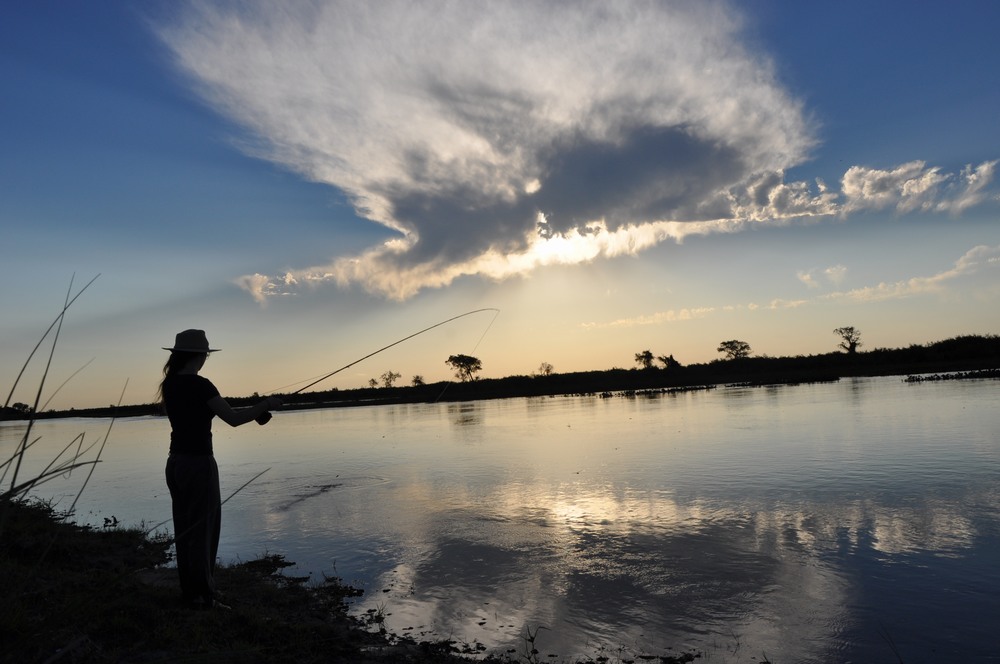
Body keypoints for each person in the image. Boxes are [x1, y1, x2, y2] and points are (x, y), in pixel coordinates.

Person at [158, 329, 281, 609]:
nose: (205, 360)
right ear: (199, 356)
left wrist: (255, 410)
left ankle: (192, 591)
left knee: (186, 530)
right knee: (204, 531)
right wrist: (267, 404)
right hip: (199, 463)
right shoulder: (202, 385)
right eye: (205, 355)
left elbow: (212, 411)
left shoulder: (169, 385)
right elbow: (234, 420)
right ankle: (203, 597)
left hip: (175, 463)